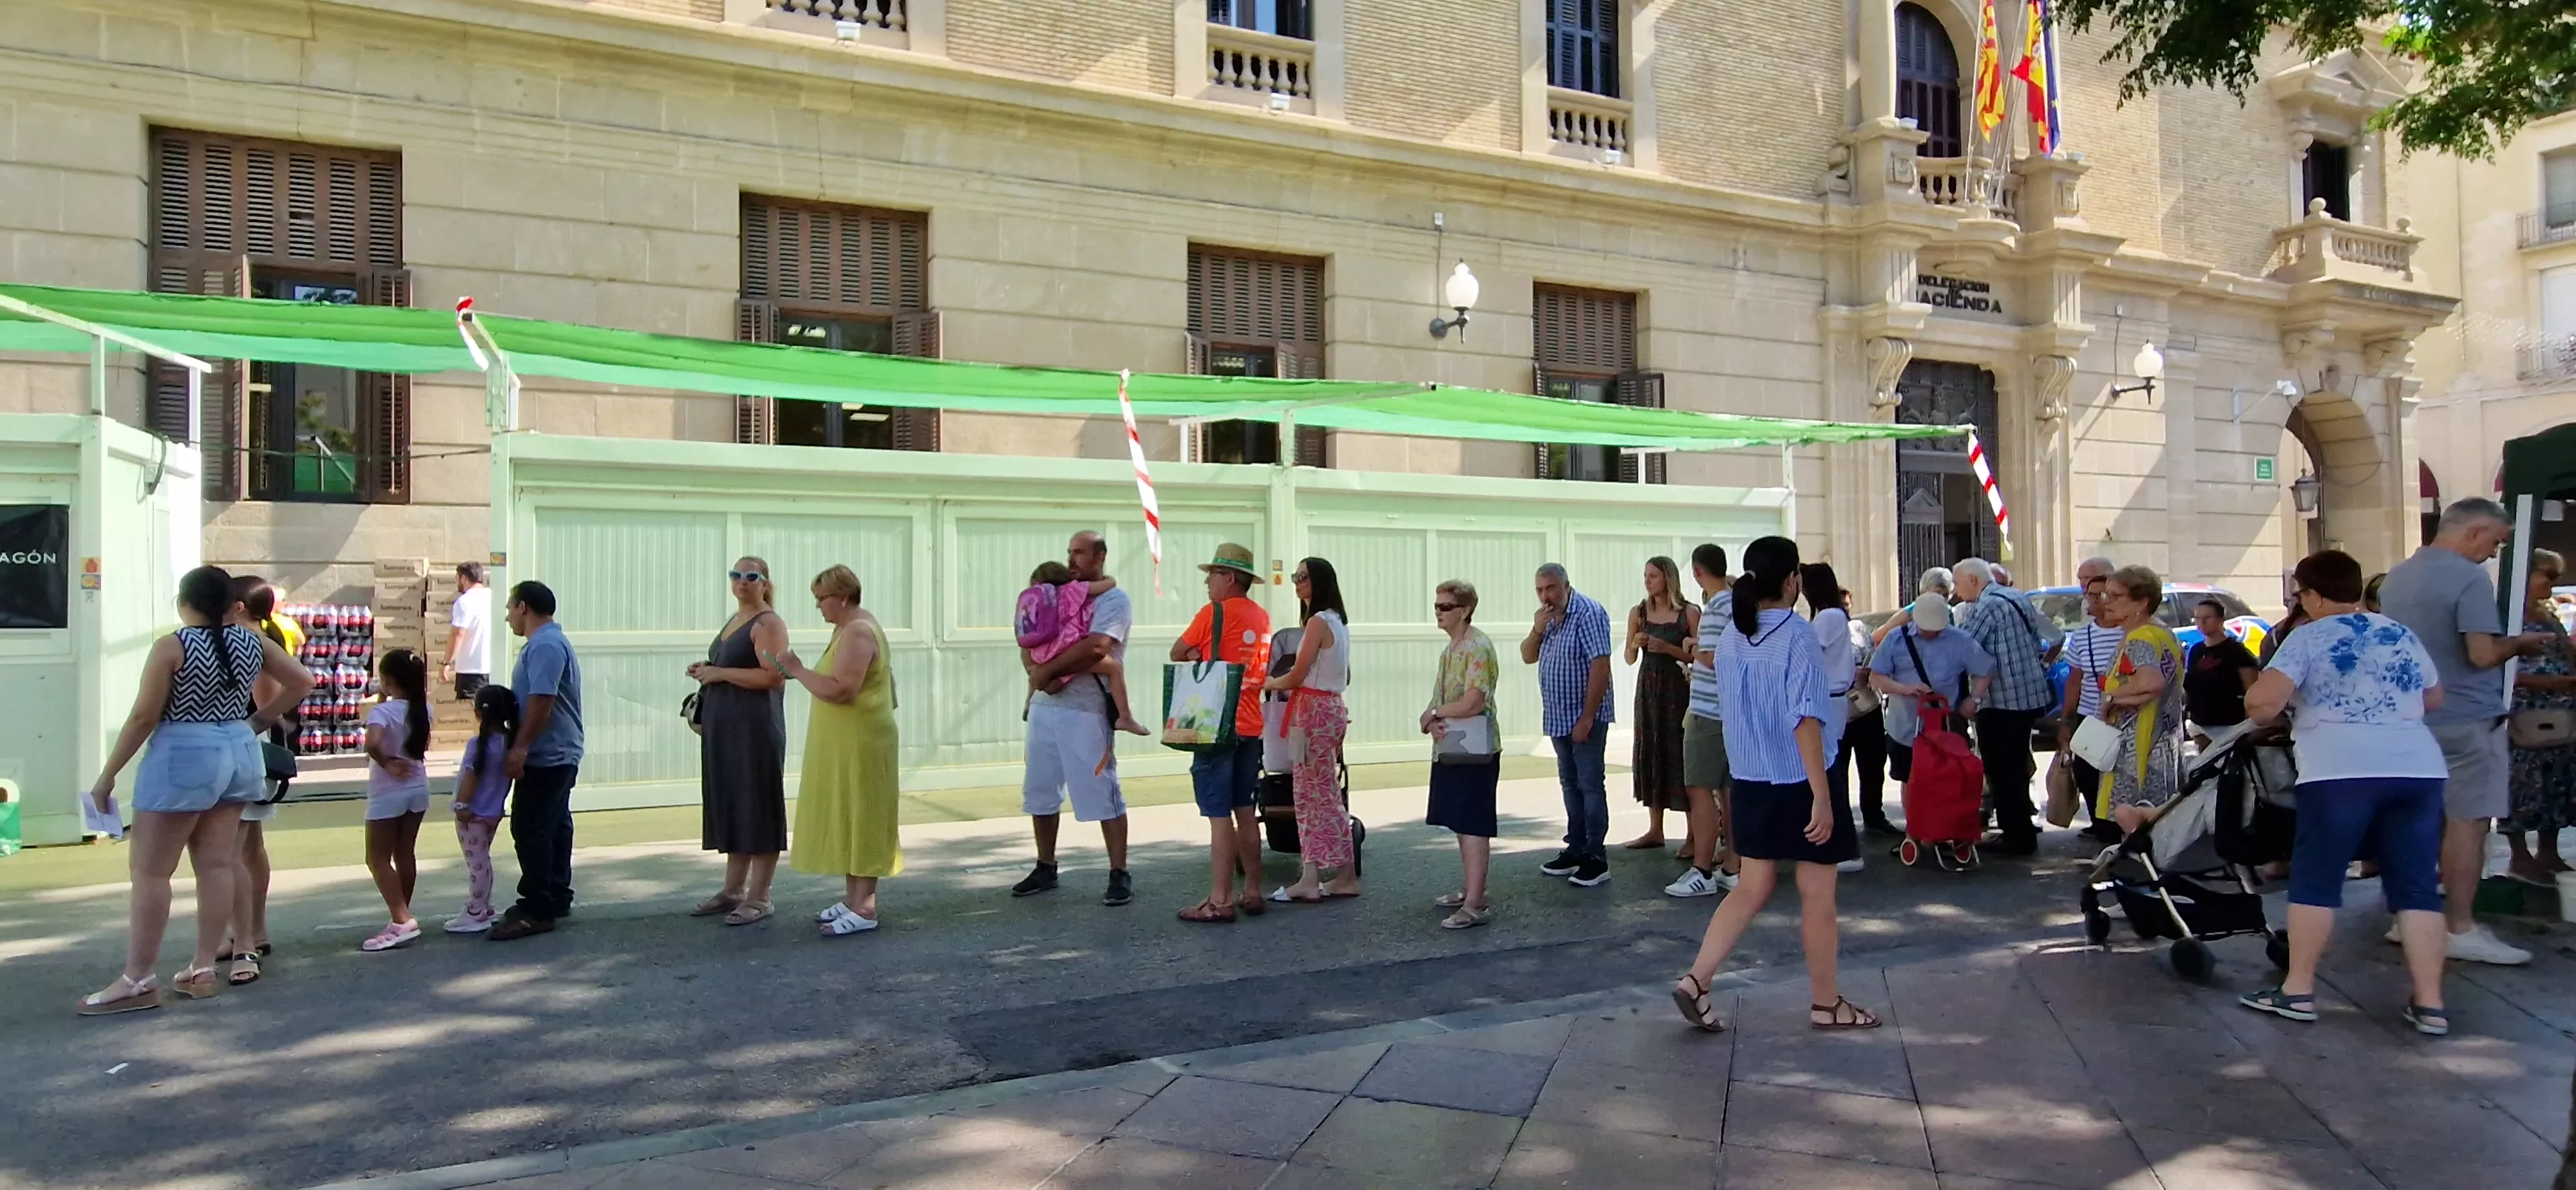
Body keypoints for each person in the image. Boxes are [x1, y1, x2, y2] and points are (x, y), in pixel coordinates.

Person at [79, 565, 312, 1015]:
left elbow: (145, 717)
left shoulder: (173, 646)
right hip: (237, 750)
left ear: (184, 602)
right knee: (217, 864)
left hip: (182, 753)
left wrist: (108, 776)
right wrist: (257, 722)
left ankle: (138, 977)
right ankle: (202, 966)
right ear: (231, 605)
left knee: (151, 871)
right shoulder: (252, 640)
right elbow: (302, 680)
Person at [2239, 550, 2452, 1036]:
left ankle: (2297, 990)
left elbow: (2263, 704)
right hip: (2417, 768)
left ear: (2312, 595)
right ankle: (2431, 1004)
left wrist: (2266, 701)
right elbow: (2433, 698)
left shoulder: (2306, 637)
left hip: (2339, 770)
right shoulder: (2397, 631)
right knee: (2416, 886)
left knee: (2317, 878)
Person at [1671, 536, 1878, 1034]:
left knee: (1750, 886)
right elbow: (1804, 719)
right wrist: (1824, 797)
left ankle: (1697, 979)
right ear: (1792, 582)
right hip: (1801, 777)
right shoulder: (1796, 633)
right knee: (1817, 894)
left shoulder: (1734, 639)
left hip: (1750, 778)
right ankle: (1826, 1003)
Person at [2378, 498, 2558, 965]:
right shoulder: (2468, 578)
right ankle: (2459, 926)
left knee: (2421, 825)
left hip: (2415, 718)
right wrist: (2520, 643)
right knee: (2468, 826)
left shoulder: (2399, 576)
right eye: (2496, 542)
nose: (2495, 553)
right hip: (2466, 718)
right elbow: (2480, 655)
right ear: (2474, 532)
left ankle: (2410, 918)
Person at [773, 565, 905, 936]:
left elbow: (843, 689)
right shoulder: (847, 629)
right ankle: (852, 899)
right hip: (847, 742)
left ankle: (865, 907)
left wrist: (797, 669)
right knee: (850, 815)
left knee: (863, 817)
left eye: (822, 599)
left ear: (842, 597)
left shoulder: (859, 632)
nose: (819, 607)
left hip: (862, 743)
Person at [1014, 531, 1135, 907]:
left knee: (1102, 794)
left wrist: (1044, 672)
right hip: (1046, 710)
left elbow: (1097, 646)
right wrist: (1038, 672)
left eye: (1080, 553)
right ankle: (1045, 865)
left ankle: (1119, 872)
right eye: (1069, 552)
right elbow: (1029, 636)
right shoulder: (1055, 595)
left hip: (1087, 711)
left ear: (1099, 556)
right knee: (1040, 791)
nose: (1072, 559)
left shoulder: (1113, 599)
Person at [687, 557, 791, 927]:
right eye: (736, 575)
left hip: (755, 730)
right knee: (732, 802)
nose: (742, 582)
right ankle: (732, 888)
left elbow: (774, 677)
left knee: (758, 805)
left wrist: (720, 673)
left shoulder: (768, 623)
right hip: (725, 729)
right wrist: (707, 670)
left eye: (751, 576)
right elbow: (731, 668)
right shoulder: (735, 621)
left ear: (765, 583)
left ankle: (760, 896)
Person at [1171, 543, 1272, 922]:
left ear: (1229, 578)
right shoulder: (1261, 616)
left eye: (1212, 575)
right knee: (1244, 808)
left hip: (1215, 723)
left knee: (1218, 815)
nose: (1207, 582)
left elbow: (1179, 651)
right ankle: (1252, 890)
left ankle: (1219, 899)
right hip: (1251, 721)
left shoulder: (1213, 613)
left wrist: (1200, 656)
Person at [491, 580, 583, 941]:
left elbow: (542, 701)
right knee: (555, 824)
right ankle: (555, 894)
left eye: (509, 608)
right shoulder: (545, 644)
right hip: (555, 750)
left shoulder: (545, 646)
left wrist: (520, 748)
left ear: (524, 607)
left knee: (530, 828)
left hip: (549, 754)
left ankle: (537, 907)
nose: (507, 617)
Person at [1267, 556, 1363, 903]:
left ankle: (1314, 877)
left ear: (1318, 582)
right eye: (1295, 576)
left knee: (1311, 795)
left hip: (1313, 712)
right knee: (1322, 793)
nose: (1296, 582)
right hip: (1328, 709)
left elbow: (1295, 674)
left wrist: (1266, 682)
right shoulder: (1337, 621)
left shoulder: (1319, 623)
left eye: (1302, 577)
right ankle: (1335, 873)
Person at [1951, 557, 2056, 855]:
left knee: (2002, 769)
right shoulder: (2015, 596)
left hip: (2003, 700)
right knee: (2016, 766)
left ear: (1973, 579)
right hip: (2026, 695)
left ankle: (2017, 836)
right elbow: (2047, 636)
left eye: (1958, 584)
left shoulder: (1987, 605)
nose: (1957, 592)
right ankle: (2018, 829)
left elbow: (1966, 645)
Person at [222, 574, 296, 985]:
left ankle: (245, 937)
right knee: (249, 846)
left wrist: (250, 726)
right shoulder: (262, 639)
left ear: (238, 607)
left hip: (249, 752)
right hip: (256, 750)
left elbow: (268, 703)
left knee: (234, 850)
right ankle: (251, 931)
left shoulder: (252, 644)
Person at [1523, 562, 1615, 887]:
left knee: (1590, 784)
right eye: (1540, 590)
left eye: (1551, 588)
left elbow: (1601, 665)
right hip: (1558, 717)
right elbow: (1527, 656)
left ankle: (1595, 856)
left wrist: (1588, 716)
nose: (1545, 596)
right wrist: (1537, 628)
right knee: (1570, 783)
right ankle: (1575, 849)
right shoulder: (1546, 618)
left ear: (1566, 585)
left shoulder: (1588, 613)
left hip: (1583, 717)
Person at [1424, 579, 1500, 929]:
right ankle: (1472, 890)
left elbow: (1472, 702)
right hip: (1455, 747)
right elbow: (1441, 698)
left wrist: (1437, 715)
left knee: (1473, 823)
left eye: (1445, 607)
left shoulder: (1477, 647)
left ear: (1465, 610)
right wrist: (1429, 719)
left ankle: (1475, 903)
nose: (1438, 612)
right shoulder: (1451, 649)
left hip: (1475, 749)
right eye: (1437, 606)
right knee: (1461, 821)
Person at [1868, 594, 1993, 795]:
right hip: (1904, 728)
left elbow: (1986, 670)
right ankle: (1914, 826)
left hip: (1945, 729)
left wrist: (1974, 699)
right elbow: (1876, 677)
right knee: (1911, 781)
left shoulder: (1958, 640)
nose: (1931, 633)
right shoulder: (1896, 639)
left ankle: (1943, 825)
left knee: (1947, 782)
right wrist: (1906, 689)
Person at [2502, 549, 2576, 887]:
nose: (2552, 582)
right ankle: (2520, 856)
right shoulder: (2508, 616)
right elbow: (2504, 668)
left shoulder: (2547, 614)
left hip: (2560, 711)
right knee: (2521, 783)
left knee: (2557, 779)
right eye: (2547, 574)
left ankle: (2549, 850)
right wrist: (2553, 682)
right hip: (2525, 711)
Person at [1018, 561, 1147, 751]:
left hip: (1042, 652)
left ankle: (1030, 700)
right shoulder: (1071, 591)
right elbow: (1106, 586)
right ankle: (1125, 716)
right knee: (1114, 668)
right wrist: (1111, 579)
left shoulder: (1035, 602)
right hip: (1067, 649)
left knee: (1039, 673)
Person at [2095, 566, 2187, 833]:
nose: (2106, 603)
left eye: (2116, 596)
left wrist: (2112, 698)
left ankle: (2141, 871)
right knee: (2159, 821)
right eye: (2105, 595)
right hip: (2165, 741)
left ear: (2141, 602)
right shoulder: (2163, 632)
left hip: (2139, 747)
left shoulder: (2140, 638)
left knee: (2137, 821)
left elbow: (2151, 683)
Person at [1669, 543, 1736, 898]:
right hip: (1729, 712)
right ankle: (1732, 867)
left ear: (1697, 572)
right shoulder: (1736, 604)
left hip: (1708, 711)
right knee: (1728, 791)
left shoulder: (1715, 608)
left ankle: (1702, 870)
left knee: (1699, 789)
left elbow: (1711, 658)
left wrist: (1694, 650)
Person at [359, 648, 433, 952]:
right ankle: (402, 912)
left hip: (387, 790)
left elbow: (372, 743)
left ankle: (402, 919)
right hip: (417, 786)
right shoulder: (424, 709)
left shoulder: (382, 712)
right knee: (405, 852)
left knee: (376, 858)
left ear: (388, 681)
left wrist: (387, 762)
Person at [1624, 556, 1698, 853]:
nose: (1648, 581)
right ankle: (1655, 828)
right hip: (1649, 691)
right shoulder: (1639, 613)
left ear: (1668, 578)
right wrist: (1634, 644)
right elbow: (1629, 659)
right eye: (1645, 576)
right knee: (1651, 749)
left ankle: (1694, 833)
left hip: (1679, 690)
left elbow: (1701, 657)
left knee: (1681, 753)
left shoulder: (1689, 613)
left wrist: (1668, 648)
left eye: (1653, 576)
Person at [2055, 556, 2126, 842]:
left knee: (2119, 774)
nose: (2090, 599)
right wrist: (2066, 719)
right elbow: (2075, 678)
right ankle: (2101, 823)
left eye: (2096, 594)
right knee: (2086, 770)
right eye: (2088, 593)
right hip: (2090, 715)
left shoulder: (2129, 631)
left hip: (2123, 716)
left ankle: (2119, 825)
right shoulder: (2083, 634)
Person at [1802, 563, 1863, 873]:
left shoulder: (1828, 617)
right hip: (1832, 700)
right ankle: (1841, 844)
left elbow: (1806, 649)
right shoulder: (1832, 616)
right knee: (1829, 771)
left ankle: (1845, 847)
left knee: (1830, 773)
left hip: (1829, 700)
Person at [445, 684, 516, 934]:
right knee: (483, 860)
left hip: (472, 814)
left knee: (476, 863)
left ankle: (476, 911)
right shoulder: (510, 744)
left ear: (478, 713)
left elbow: (470, 776)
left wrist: (461, 804)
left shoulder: (479, 745)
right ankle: (483, 907)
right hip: (492, 813)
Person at [1838, 588, 1893, 837]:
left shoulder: (1858, 629)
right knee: (1839, 765)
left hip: (1866, 702)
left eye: (1848, 605)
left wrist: (1868, 671)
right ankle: (1841, 818)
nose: (1845, 609)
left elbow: (1874, 655)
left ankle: (1874, 813)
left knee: (1873, 761)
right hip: (1840, 706)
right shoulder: (1820, 631)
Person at [2182, 598, 2262, 735]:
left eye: (2208, 618)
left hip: (2228, 723)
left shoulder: (2236, 651)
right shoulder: (2196, 650)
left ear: (2221, 620)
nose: (2202, 623)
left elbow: (2251, 687)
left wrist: (2250, 724)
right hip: (2199, 722)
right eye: (2197, 618)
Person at [441, 561, 493, 703]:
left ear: (464, 578)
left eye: (457, 578)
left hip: (471, 669)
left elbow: (458, 634)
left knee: (470, 716)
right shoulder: (494, 597)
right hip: (494, 667)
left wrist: (446, 663)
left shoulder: (464, 601)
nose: (457, 583)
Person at [1868, 566, 1958, 647]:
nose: (1938, 599)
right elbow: (1878, 636)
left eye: (1944, 595)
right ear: (1923, 591)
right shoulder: (1911, 611)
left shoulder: (1953, 613)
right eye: (1936, 593)